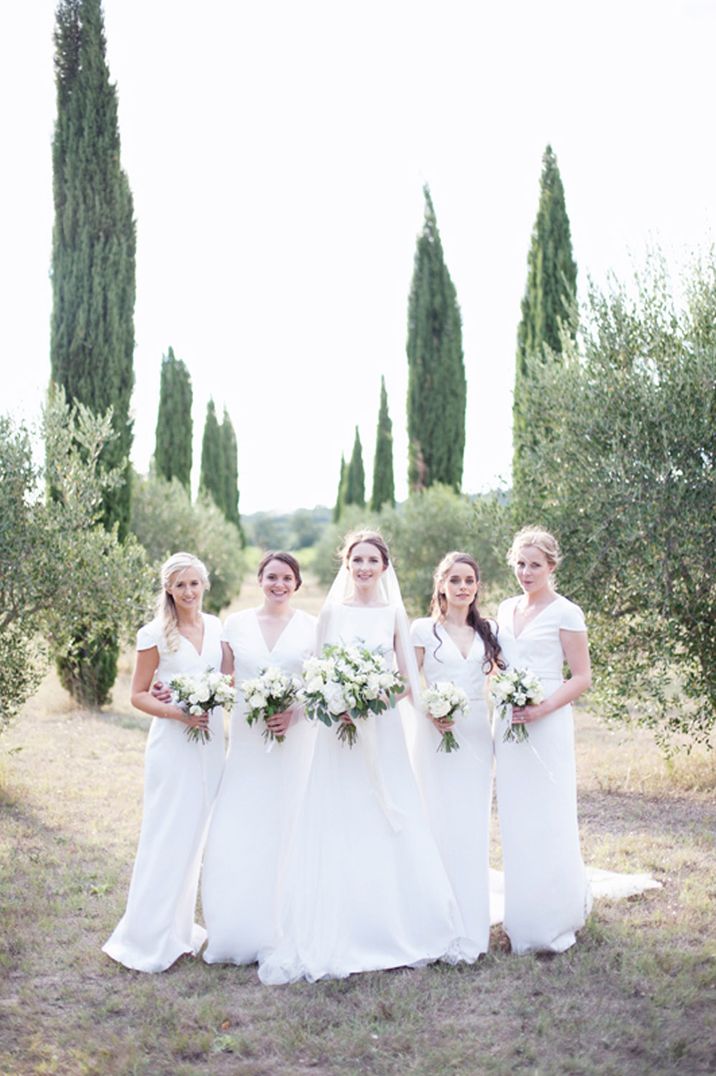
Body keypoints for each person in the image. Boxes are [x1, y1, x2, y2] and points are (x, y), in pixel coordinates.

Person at [258, 530, 477, 984]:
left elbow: (405, 677)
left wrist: (371, 699)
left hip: (381, 727)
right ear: (347, 564)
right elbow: (317, 668)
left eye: (371, 561)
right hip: (336, 733)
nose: (363, 568)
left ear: (383, 567)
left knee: (387, 811)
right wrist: (324, 705)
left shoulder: (394, 613)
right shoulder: (333, 612)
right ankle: (338, 922)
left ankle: (395, 923)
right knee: (339, 814)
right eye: (356, 560)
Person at [103, 552, 225, 973]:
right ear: (168, 589)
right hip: (173, 745)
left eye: (194, 583)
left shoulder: (216, 628)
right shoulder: (153, 633)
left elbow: (226, 681)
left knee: (195, 835)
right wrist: (179, 713)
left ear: (204, 585)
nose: (188, 592)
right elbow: (137, 694)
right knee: (167, 833)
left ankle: (176, 929)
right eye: (180, 585)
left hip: (210, 744)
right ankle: (146, 936)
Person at [201, 552, 317, 965]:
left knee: (288, 821)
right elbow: (223, 680)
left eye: (287, 577)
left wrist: (294, 713)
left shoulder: (311, 628)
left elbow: (317, 686)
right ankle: (237, 924)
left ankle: (284, 922)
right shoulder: (236, 625)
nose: (279, 584)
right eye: (272, 576)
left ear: (297, 583)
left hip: (293, 741)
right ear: (260, 579)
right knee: (241, 821)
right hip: (248, 742)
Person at [494, 527, 592, 955]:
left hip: (547, 722)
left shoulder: (566, 612)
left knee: (547, 814)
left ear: (552, 566)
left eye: (535, 564)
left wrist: (541, 708)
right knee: (516, 816)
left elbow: (583, 677)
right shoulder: (504, 608)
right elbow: (497, 665)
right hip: (508, 722)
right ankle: (521, 912)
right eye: (520, 563)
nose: (526, 572)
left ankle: (551, 916)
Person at [410, 551, 504, 955]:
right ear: (441, 585)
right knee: (434, 819)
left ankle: (469, 921)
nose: (463, 587)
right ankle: (431, 919)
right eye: (455, 580)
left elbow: (503, 680)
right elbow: (410, 682)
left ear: (477, 586)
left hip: (476, 736)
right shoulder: (422, 630)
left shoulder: (489, 630)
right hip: (434, 734)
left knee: (470, 824)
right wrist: (430, 711)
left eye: (469, 580)